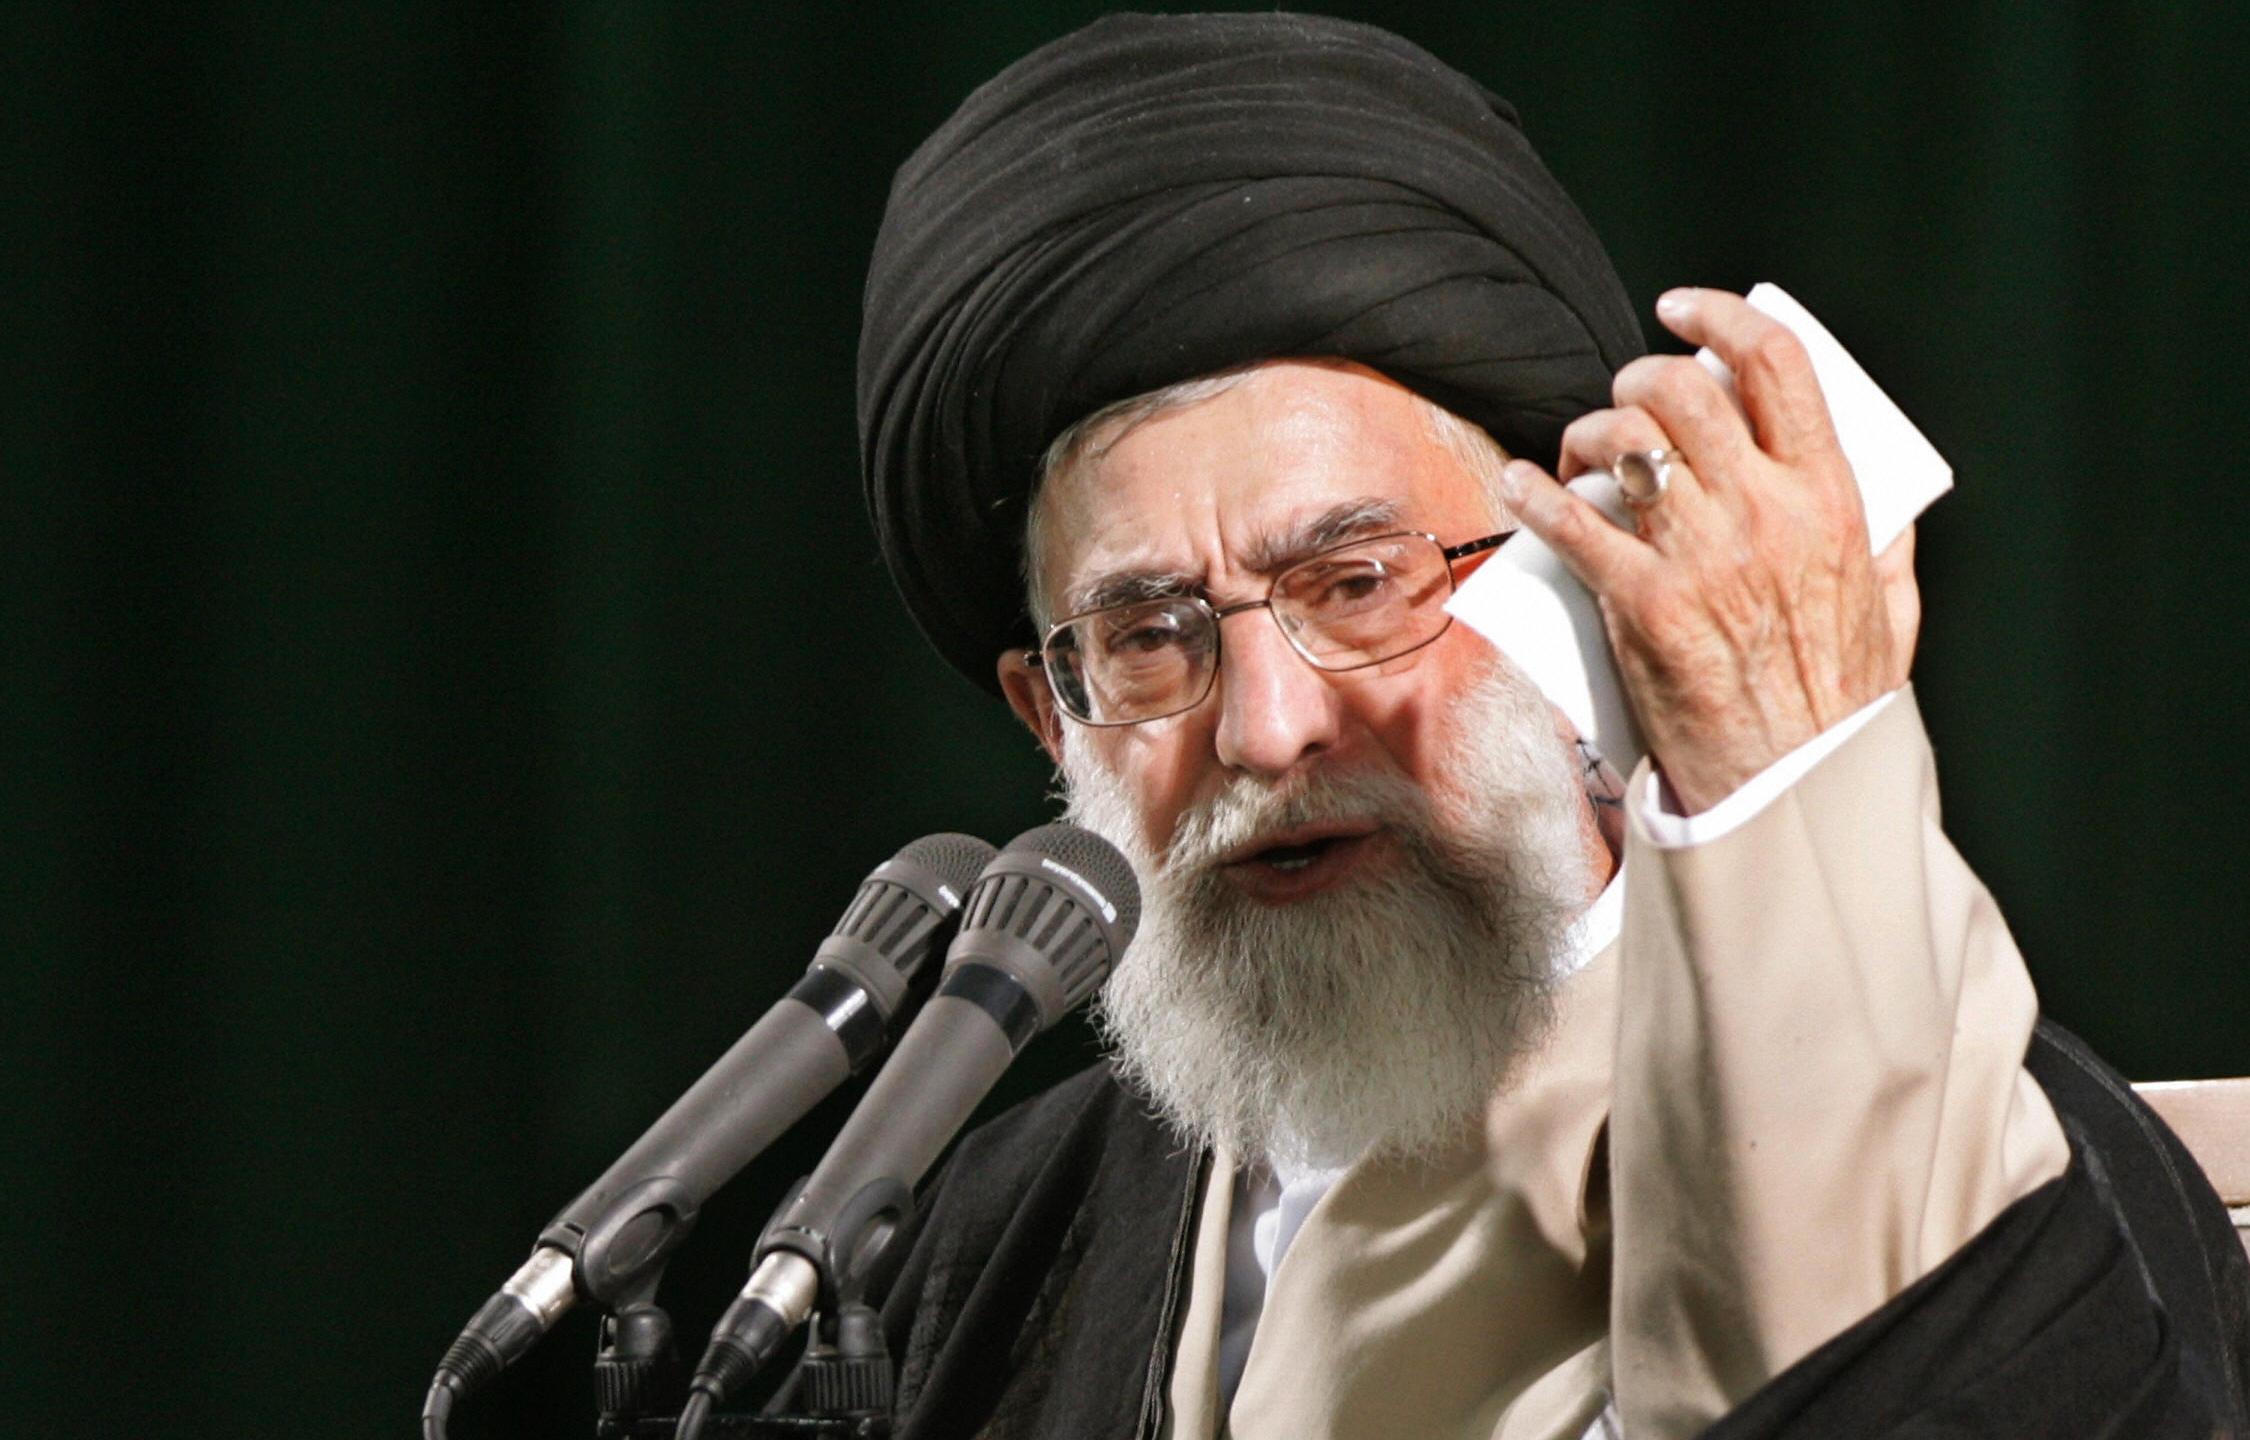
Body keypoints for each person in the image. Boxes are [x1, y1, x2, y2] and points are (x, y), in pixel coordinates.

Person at [850, 13, 2250, 1439]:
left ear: (1563, 574)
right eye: (1149, 638)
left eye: (1355, 584)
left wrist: (1786, 771)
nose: (1266, 731)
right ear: (1049, 709)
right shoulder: (990, 1240)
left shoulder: (1987, 1164)